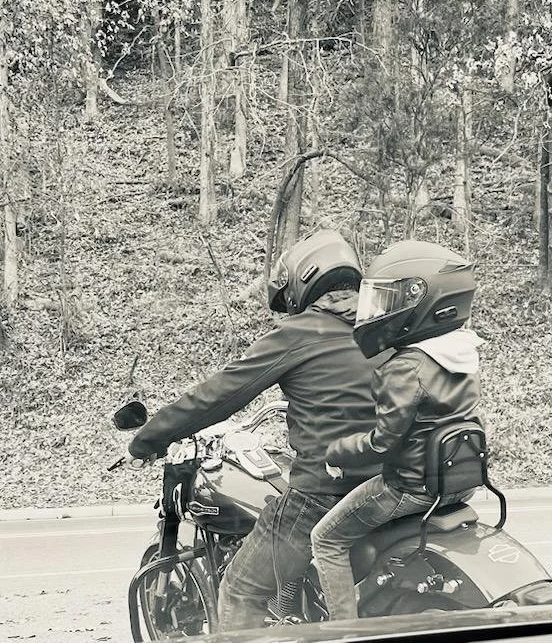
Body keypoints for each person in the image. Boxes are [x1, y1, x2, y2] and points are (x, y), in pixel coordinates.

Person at [125, 229, 387, 631]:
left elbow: (217, 395)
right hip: (393, 484)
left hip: (326, 492)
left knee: (241, 590)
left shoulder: (300, 333)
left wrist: (146, 440)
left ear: (303, 284)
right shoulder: (385, 326)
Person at [310, 239, 484, 621]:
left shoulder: (405, 367)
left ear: (423, 301)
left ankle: (344, 631)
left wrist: (336, 451)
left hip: (410, 487)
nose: (380, 311)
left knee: (325, 539)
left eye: (390, 300)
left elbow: (383, 443)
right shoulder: (461, 353)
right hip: (458, 481)